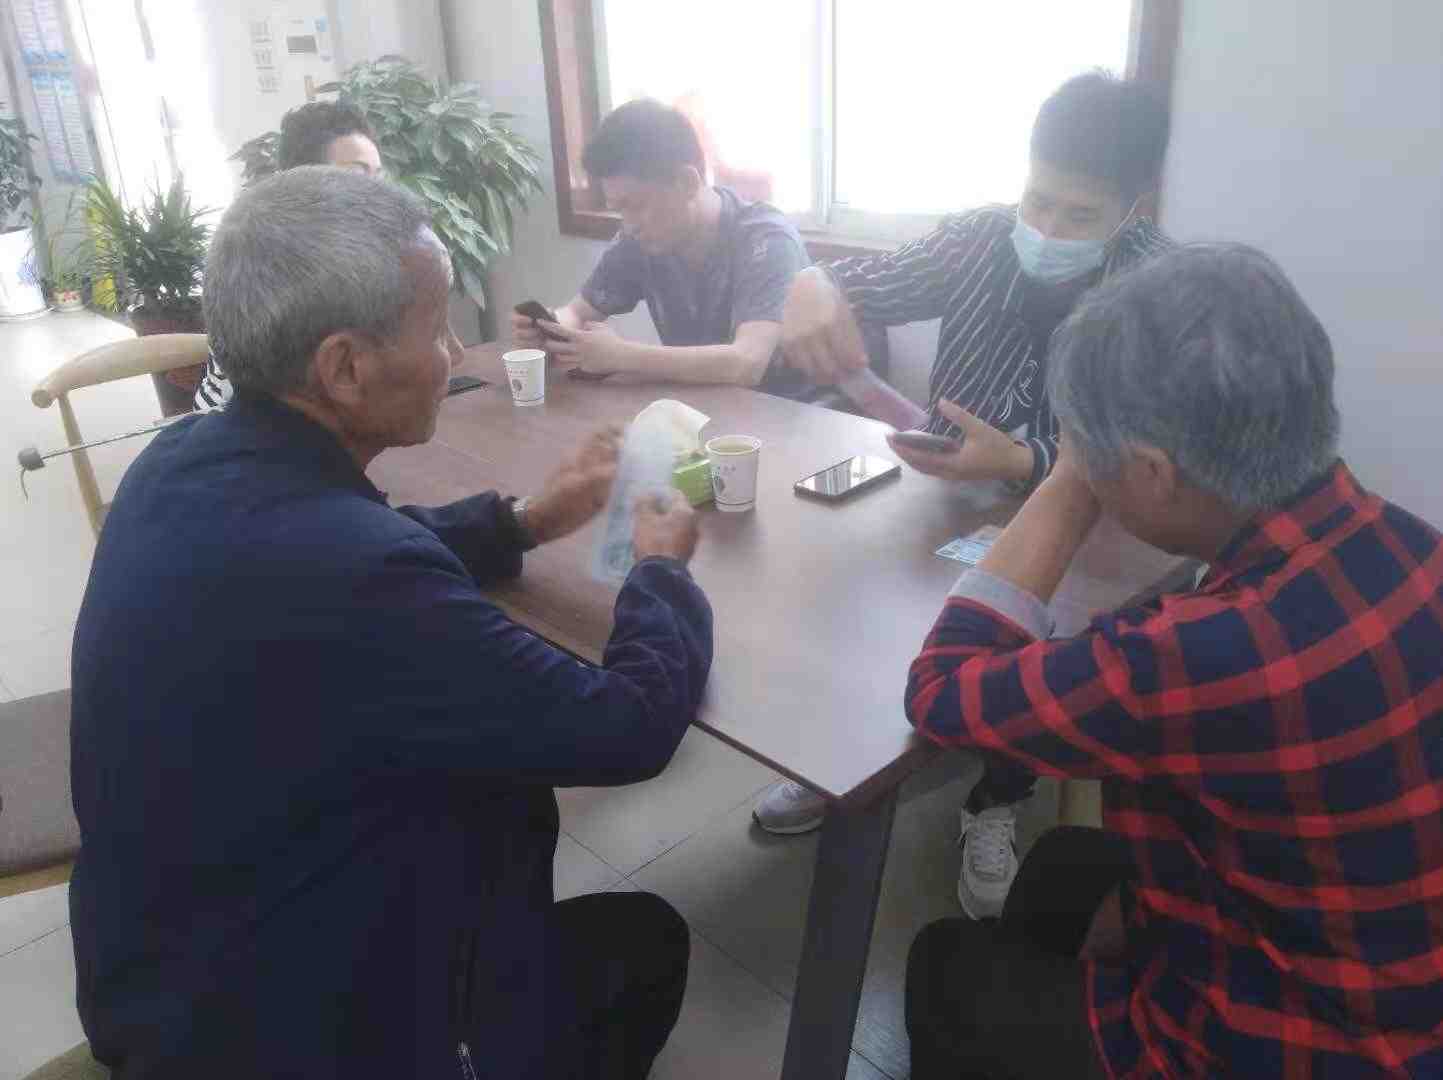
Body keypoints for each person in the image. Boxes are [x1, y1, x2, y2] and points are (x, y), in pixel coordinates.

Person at [70, 167, 712, 1079]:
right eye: (439, 328)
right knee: (644, 945)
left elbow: (353, 551)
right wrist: (660, 570)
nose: (454, 351)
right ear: (344, 367)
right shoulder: (357, 576)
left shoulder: (177, 459)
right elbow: (629, 726)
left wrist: (524, 521)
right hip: (300, 1034)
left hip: (168, 981)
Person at [903, 244, 1443, 1077]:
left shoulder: (1199, 655)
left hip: (1313, 1046)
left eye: (1092, 457)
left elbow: (941, 691)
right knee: (1060, 868)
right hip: (1395, 961)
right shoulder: (1409, 543)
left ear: (1152, 473)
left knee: (947, 965)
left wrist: (1067, 480)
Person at [755, 73, 1172, 914]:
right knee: (860, 600)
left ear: (1130, 209)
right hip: (940, 494)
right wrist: (810, 287)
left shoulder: (1159, 289)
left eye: (1078, 215)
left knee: (1035, 653)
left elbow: (1144, 444)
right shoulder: (976, 239)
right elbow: (858, 284)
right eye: (1037, 200)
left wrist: (1020, 460)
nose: (1045, 230)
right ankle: (844, 760)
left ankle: (996, 801)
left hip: (1074, 518)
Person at [509, 98, 812, 398]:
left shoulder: (766, 241)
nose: (629, 225)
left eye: (636, 205)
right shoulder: (639, 240)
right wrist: (551, 328)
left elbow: (747, 363)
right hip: (702, 408)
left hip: (790, 416)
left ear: (687, 182)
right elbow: (577, 311)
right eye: (619, 209)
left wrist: (621, 355)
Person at [193, 101, 384, 410]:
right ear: (302, 181)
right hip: (240, 418)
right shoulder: (266, 255)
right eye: (357, 175)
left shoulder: (358, 244)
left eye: (378, 176)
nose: (376, 193)